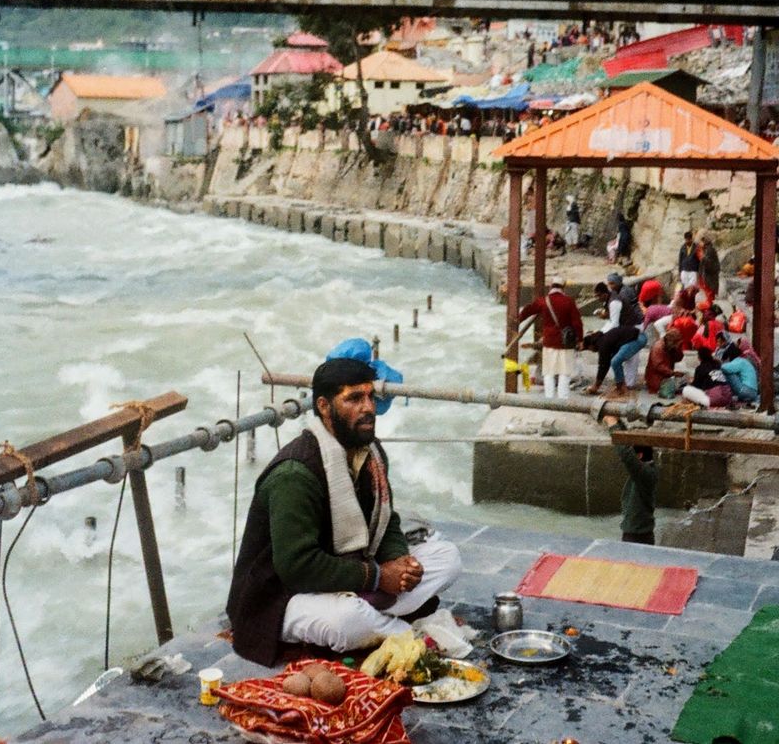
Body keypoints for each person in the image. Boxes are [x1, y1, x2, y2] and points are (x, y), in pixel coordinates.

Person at [226, 357, 462, 666]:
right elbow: (297, 568)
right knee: (348, 619)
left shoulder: (371, 452)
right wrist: (378, 577)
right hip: (282, 596)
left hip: (353, 573)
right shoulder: (295, 474)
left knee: (447, 557)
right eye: (353, 398)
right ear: (324, 406)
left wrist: (397, 561)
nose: (368, 407)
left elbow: (386, 518)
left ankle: (376, 615)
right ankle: (407, 636)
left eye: (370, 396)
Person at [518, 274, 583, 400]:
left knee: (549, 372)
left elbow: (528, 310)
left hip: (549, 341)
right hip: (566, 343)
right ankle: (563, 398)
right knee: (564, 372)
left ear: (550, 287)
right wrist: (580, 340)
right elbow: (577, 323)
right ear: (563, 287)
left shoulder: (543, 301)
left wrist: (518, 321)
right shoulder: (569, 302)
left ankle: (549, 398)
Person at [602, 414, 657, 544]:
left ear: (639, 455)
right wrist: (618, 422)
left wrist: (612, 426)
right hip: (639, 532)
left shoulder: (644, 473)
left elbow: (625, 454)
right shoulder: (648, 468)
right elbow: (627, 443)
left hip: (637, 536)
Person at [582, 326, 646, 397]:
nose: (592, 351)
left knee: (615, 362)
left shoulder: (603, 344)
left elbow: (603, 366)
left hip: (638, 338)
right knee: (614, 359)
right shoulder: (604, 338)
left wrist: (596, 386)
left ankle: (621, 388)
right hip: (638, 336)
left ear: (591, 346)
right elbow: (606, 363)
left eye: (589, 350)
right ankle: (621, 385)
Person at [644, 328, 686, 397]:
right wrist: (673, 373)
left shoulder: (670, 346)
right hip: (656, 377)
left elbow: (679, 359)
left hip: (667, 375)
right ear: (671, 341)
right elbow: (658, 366)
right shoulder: (658, 347)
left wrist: (678, 349)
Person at [698, 234, 721, 309]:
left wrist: (703, 258)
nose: (699, 243)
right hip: (707, 276)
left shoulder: (710, 250)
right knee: (707, 293)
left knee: (710, 293)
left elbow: (710, 263)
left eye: (701, 241)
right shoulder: (706, 249)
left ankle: (710, 307)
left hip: (710, 276)